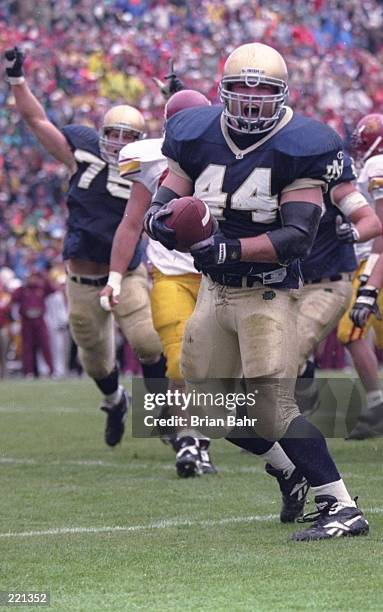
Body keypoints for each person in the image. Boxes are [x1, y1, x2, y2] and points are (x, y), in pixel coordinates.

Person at [145, 42, 369, 541]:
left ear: (281, 94)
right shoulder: (194, 131)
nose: (250, 101)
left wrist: (229, 250)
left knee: (273, 404)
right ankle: (287, 469)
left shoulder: (303, 143)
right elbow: (166, 197)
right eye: (241, 90)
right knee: (204, 407)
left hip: (267, 292)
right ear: (222, 91)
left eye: (262, 90)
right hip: (213, 290)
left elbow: (299, 235)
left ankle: (342, 505)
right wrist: (162, 220)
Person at [5, 46, 164, 445]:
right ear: (102, 133)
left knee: (146, 340)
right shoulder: (81, 151)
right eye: (114, 134)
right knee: (94, 358)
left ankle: (164, 414)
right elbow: (35, 118)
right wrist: (17, 81)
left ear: (140, 141)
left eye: (130, 136)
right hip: (81, 277)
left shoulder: (148, 165)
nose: (119, 142)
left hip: (127, 273)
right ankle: (115, 401)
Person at [101, 89, 217, 477]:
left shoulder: (232, 157)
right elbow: (132, 223)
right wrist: (115, 277)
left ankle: (205, 437)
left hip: (219, 274)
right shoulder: (151, 161)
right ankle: (189, 439)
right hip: (170, 274)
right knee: (178, 359)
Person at [337, 113, 383, 440]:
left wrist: (371, 282)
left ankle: (378, 403)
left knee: (349, 330)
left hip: (373, 262)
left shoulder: (377, 165)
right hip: (368, 261)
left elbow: (380, 228)